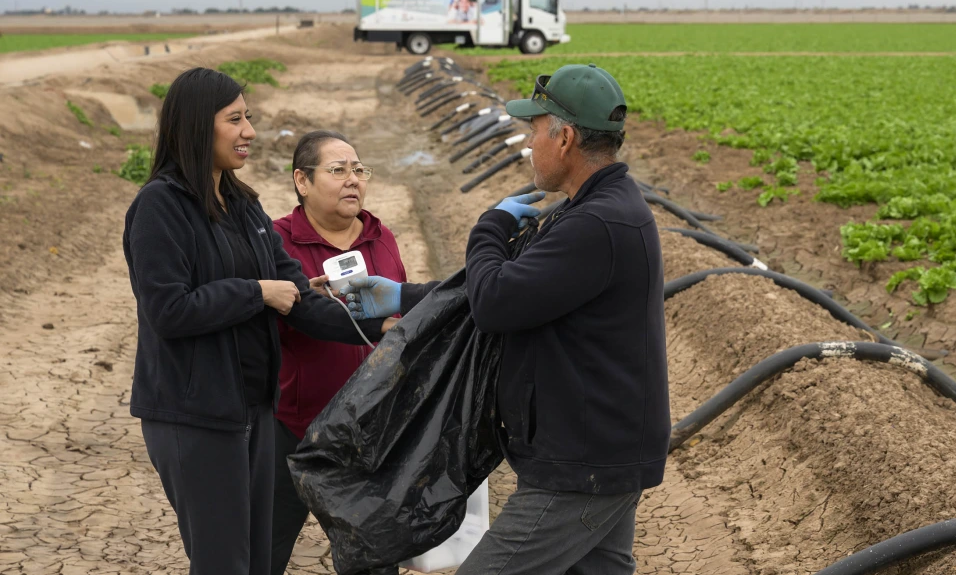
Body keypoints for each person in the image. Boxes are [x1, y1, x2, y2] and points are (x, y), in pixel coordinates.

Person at [123, 68, 394, 575]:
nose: (249, 130)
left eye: (249, 117)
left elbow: (299, 298)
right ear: (197, 126)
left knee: (253, 559)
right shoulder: (160, 206)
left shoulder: (244, 205)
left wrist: (385, 327)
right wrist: (255, 293)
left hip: (252, 410)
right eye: (235, 119)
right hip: (194, 415)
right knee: (224, 562)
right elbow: (168, 310)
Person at [455, 63, 670, 574]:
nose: (530, 143)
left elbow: (496, 301)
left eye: (534, 129)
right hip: (598, 449)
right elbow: (527, 284)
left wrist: (491, 224)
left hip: (582, 464)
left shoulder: (596, 223)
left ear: (566, 137)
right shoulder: (594, 209)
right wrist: (401, 295)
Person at [269, 130, 436, 575]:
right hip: (296, 430)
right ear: (302, 181)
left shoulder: (380, 237)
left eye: (359, 170)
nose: (353, 181)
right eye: (338, 170)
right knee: (262, 550)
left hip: (371, 434)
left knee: (373, 560)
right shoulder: (277, 242)